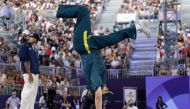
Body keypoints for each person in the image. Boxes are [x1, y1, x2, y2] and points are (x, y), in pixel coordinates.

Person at [42, 2, 150, 109]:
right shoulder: (100, 80)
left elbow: (98, 96)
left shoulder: (96, 82)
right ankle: (137, 27)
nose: (108, 89)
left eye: (106, 92)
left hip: (85, 46)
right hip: (91, 46)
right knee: (112, 38)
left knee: (84, 11)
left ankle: (54, 15)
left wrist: (99, 100)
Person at [18, 33, 41, 109]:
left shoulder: (34, 49)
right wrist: (30, 74)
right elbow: (24, 61)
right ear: (33, 38)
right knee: (28, 91)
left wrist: (39, 74)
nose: (36, 41)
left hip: (35, 73)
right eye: (36, 39)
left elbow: (36, 63)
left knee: (33, 93)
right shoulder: (25, 46)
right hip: (29, 73)